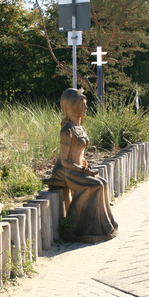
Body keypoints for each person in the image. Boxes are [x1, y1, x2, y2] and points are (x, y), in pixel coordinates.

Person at [50, 88, 118, 243]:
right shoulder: (67, 130)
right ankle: (75, 226)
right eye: (82, 105)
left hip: (78, 168)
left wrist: (84, 165)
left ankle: (103, 225)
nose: (86, 108)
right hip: (65, 171)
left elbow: (79, 153)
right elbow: (65, 160)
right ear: (72, 106)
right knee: (94, 186)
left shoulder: (81, 127)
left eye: (86, 105)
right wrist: (81, 169)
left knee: (103, 183)